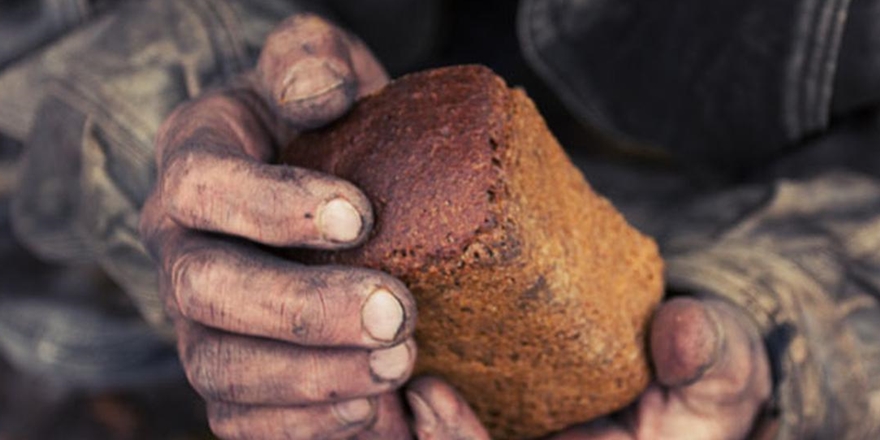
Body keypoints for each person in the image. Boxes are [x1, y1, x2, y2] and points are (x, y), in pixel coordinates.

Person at [0, 0, 878, 438]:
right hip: (123, 239)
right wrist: (164, 109)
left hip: (714, 238)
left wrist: (780, 332)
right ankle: (128, 344)